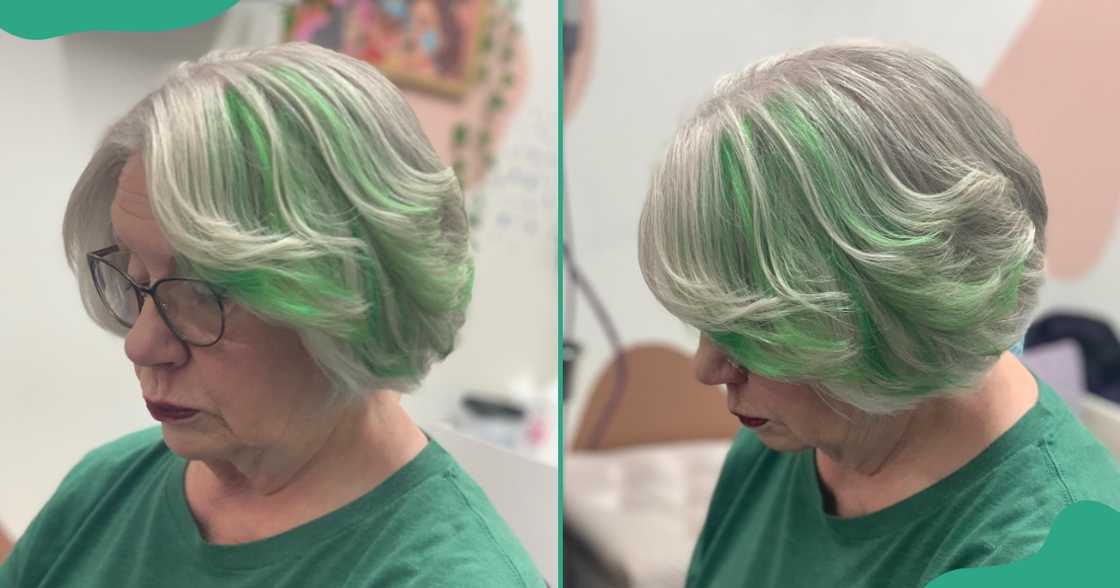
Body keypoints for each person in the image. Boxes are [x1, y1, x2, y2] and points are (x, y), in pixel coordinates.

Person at [0, 42, 543, 587]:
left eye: (206, 290)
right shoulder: (104, 493)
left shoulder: (450, 575)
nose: (140, 344)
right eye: (137, 280)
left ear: (353, 300)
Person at [637, 41, 1120, 587]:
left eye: (754, 330)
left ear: (899, 311)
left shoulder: (1047, 559)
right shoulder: (792, 434)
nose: (707, 368)